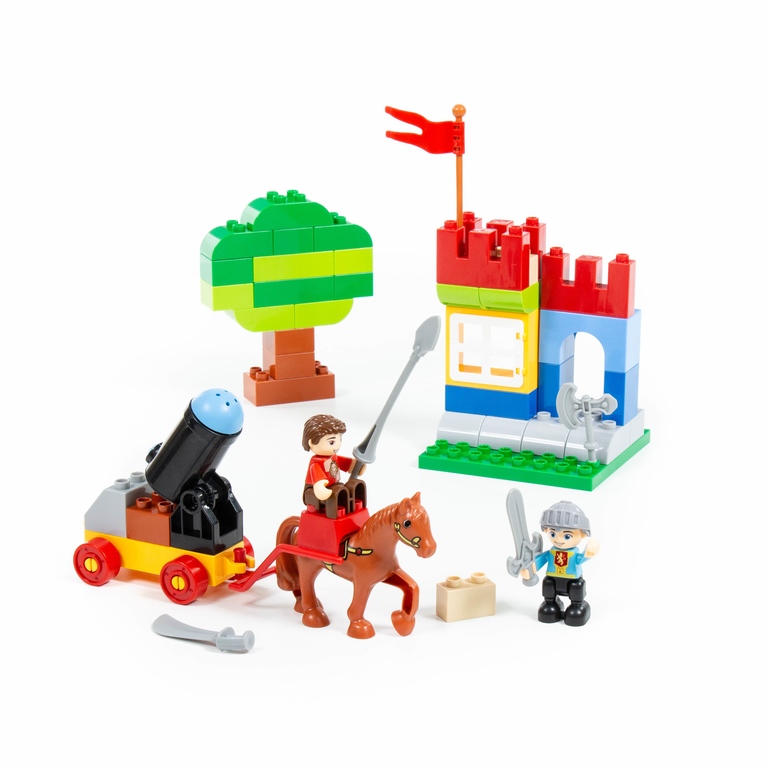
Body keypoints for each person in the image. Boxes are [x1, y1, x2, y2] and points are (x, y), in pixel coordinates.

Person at [522, 500, 599, 626]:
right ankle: (550, 603)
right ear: (546, 530)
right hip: (553, 578)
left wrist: (589, 553)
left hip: (572, 579)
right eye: (553, 533)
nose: (558, 539)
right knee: (548, 583)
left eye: (567, 536)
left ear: (582, 534)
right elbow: (540, 561)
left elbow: (581, 559)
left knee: (576, 587)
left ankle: (577, 606)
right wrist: (530, 570)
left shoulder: (574, 554)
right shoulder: (551, 553)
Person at [302, 414, 366, 519]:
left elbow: (347, 464)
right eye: (331, 442)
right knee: (337, 493)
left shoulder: (333, 457)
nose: (337, 445)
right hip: (314, 492)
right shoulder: (316, 463)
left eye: (339, 440)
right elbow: (318, 480)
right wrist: (320, 488)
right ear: (312, 442)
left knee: (352, 487)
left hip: (335, 487)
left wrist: (357, 466)